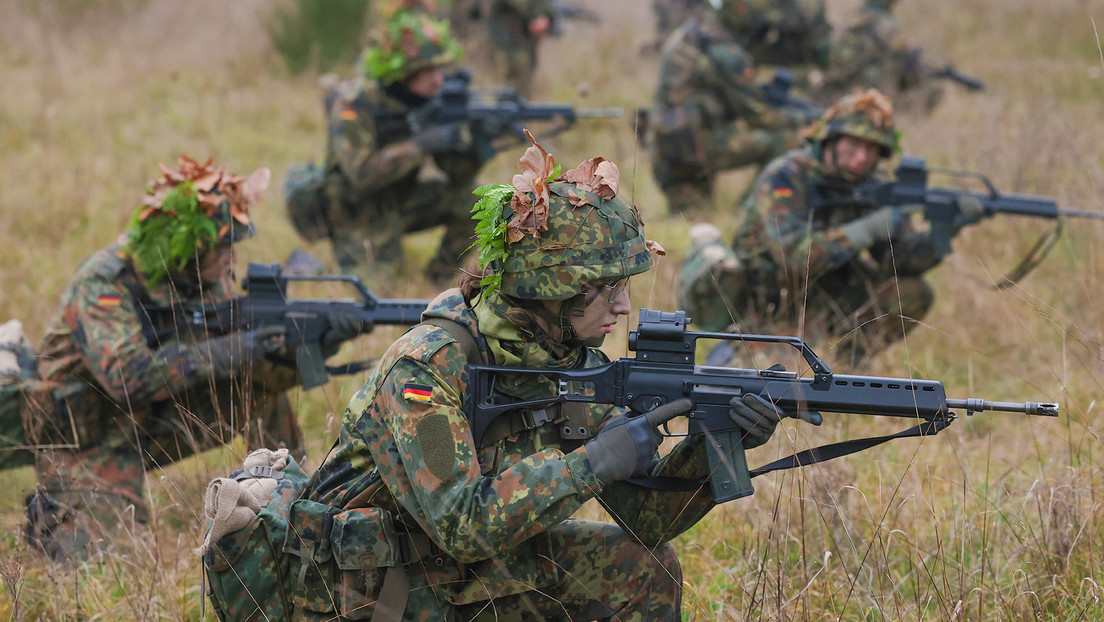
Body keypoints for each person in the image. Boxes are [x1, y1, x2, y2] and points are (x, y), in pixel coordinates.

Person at [296, 136, 820, 620]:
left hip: (448, 577)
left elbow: (647, 521)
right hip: (357, 591)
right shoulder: (424, 372)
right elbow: (460, 522)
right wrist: (591, 464)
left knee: (645, 568)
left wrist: (712, 445)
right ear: (552, 287)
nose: (623, 305)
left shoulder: (568, 360)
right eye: (606, 286)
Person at [24, 156, 361, 559]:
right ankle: (56, 507)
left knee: (257, 389)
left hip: (151, 420)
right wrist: (229, 350)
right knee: (111, 559)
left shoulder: (198, 277)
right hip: (82, 436)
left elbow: (248, 364)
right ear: (191, 246)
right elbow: (127, 378)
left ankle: (287, 501)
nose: (231, 260)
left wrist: (319, 341)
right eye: (223, 249)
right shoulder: (105, 283)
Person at [678, 88, 983, 365]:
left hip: (829, 302)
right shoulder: (785, 177)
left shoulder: (873, 186)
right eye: (854, 144)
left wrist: (944, 229)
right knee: (768, 384)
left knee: (913, 292)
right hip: (768, 308)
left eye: (873, 148)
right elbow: (793, 256)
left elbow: (900, 261)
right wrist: (866, 230)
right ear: (831, 140)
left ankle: (850, 364)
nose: (862, 157)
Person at [320, 8, 493, 290]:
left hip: (402, 199)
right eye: (428, 71)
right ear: (402, 73)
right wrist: (422, 144)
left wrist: (474, 149)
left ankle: (439, 277)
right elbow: (361, 176)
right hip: (359, 215)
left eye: (440, 69)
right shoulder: (354, 105)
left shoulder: (426, 99)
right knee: (373, 303)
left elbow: (457, 178)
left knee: (480, 200)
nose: (439, 80)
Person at [648, 0, 824, 216]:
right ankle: (747, 213)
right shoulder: (723, 48)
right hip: (694, 147)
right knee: (788, 140)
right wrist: (811, 118)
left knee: (690, 220)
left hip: (666, 147)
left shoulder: (696, 30)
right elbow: (761, 117)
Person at [814, 0, 960, 114]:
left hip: (840, 91)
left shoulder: (850, 18)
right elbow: (906, 59)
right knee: (933, 87)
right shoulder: (887, 25)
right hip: (869, 94)